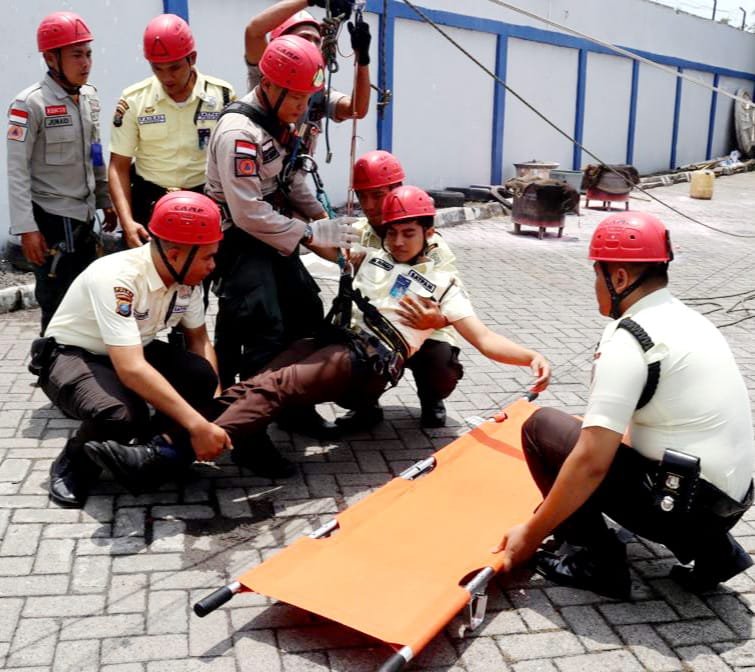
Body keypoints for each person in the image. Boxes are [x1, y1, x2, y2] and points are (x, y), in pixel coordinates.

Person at [83, 186, 551, 493]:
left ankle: (165, 455)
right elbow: (321, 235)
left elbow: (485, 339)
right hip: (335, 338)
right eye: (393, 232)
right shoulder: (374, 254)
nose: (400, 241)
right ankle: (171, 439)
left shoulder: (443, 288)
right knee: (262, 379)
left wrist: (530, 355)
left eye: (410, 233)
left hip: (368, 360)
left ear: (429, 233)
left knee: (280, 384)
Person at [493, 212, 755, 598]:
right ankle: (717, 553)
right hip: (730, 503)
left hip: (683, 507)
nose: (595, 285)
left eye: (596, 275)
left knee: (542, 429)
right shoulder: (691, 319)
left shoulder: (630, 339)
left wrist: (530, 536)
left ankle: (596, 562)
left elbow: (590, 462)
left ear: (618, 278)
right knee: (610, 434)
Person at [29, 192, 227, 508]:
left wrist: (212, 405)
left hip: (131, 349)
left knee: (200, 376)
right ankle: (74, 462)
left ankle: (154, 454)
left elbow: (200, 340)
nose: (213, 265)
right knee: (121, 414)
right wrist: (196, 424)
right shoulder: (118, 278)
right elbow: (131, 368)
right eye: (208, 257)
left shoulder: (186, 276)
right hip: (73, 355)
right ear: (175, 254)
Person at [205, 34, 358, 438]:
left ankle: (294, 407)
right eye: (297, 99)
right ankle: (248, 432)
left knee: (306, 310)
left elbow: (292, 181)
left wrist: (328, 223)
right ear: (269, 86)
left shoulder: (278, 122)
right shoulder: (239, 133)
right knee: (263, 325)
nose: (303, 109)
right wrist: (311, 234)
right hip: (240, 241)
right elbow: (248, 212)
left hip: (273, 234)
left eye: (309, 99)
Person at [337, 149, 464, 430]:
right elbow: (323, 251)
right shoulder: (355, 233)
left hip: (422, 332)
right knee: (343, 375)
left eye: (378, 195)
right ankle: (366, 405)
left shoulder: (435, 246)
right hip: (375, 331)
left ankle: (432, 398)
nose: (369, 205)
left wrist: (438, 319)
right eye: (361, 195)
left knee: (440, 365)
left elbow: (456, 303)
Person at [7, 11, 116, 333]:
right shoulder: (28, 105)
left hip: (84, 220)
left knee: (86, 303)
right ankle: (50, 368)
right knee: (57, 308)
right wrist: (26, 229)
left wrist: (105, 197)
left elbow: (95, 153)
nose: (86, 63)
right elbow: (16, 171)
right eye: (76, 55)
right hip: (52, 222)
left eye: (88, 54)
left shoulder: (90, 98)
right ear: (51, 58)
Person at [108, 14, 235, 249]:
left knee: (203, 278)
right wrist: (127, 222)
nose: (167, 77)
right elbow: (119, 165)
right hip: (150, 206)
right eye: (157, 68)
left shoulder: (223, 97)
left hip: (204, 202)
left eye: (175, 67)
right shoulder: (134, 100)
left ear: (192, 58)